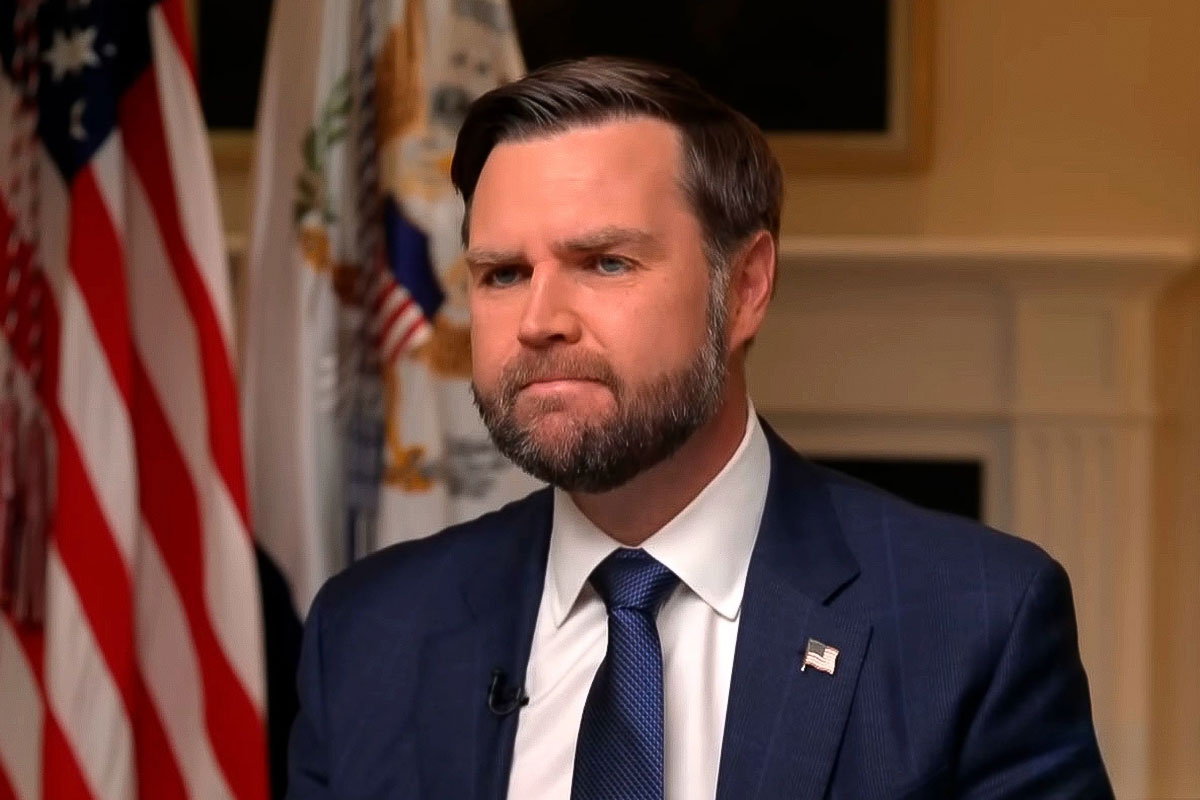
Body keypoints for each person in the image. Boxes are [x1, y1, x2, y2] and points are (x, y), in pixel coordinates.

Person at [286, 57, 1113, 799]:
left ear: (745, 288)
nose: (538, 322)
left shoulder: (973, 624)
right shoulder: (367, 636)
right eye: (503, 274)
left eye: (605, 262)